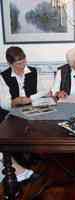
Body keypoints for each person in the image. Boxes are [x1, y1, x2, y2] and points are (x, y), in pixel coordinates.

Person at [0, 46, 46, 183]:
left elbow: (42, 91)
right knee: (13, 128)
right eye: (18, 64)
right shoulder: (3, 76)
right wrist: (14, 101)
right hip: (11, 111)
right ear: (10, 64)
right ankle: (20, 158)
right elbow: (4, 103)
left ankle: (30, 154)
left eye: (24, 61)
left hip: (31, 107)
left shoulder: (33, 71)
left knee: (39, 124)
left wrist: (30, 98)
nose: (22, 66)